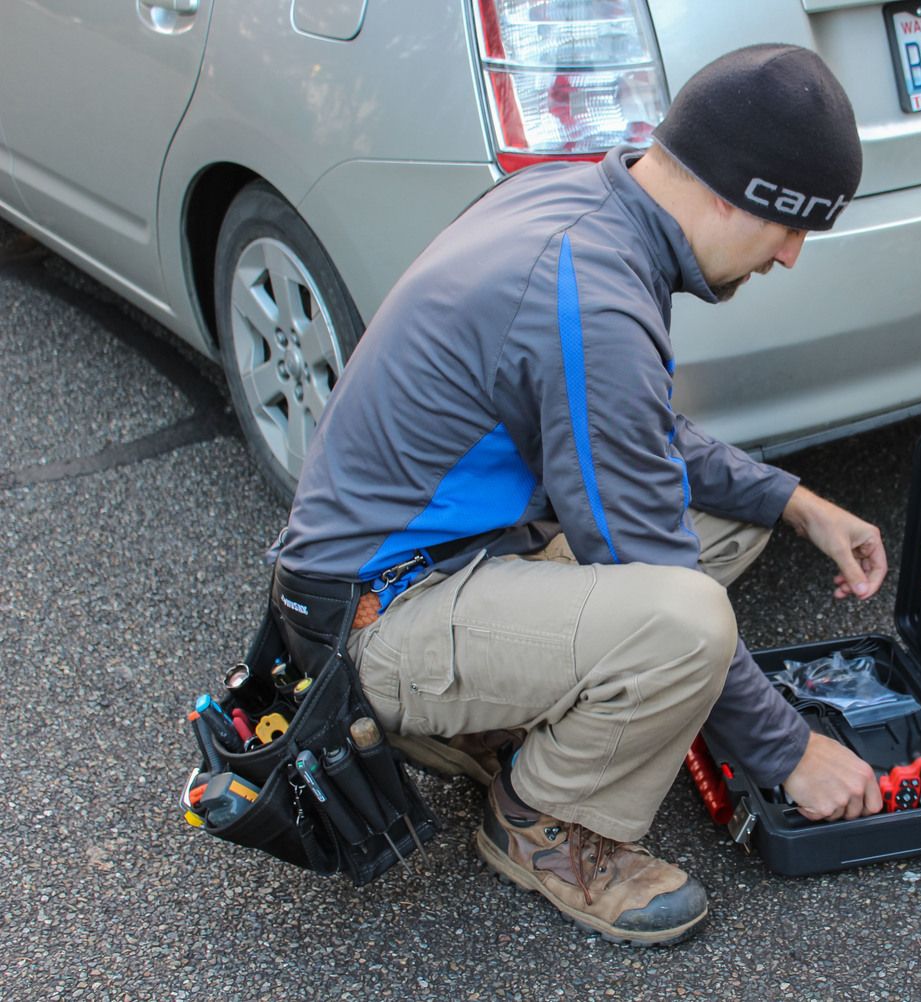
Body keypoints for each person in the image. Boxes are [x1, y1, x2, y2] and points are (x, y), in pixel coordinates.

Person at [269, 44, 884, 945]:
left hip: (440, 562)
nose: (789, 257)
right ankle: (541, 825)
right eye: (787, 228)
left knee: (731, 523)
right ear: (729, 190)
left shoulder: (584, 201)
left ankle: (499, 720)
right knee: (687, 622)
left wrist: (794, 501)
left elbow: (632, 432)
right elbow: (645, 558)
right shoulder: (591, 299)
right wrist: (788, 752)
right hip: (373, 625)